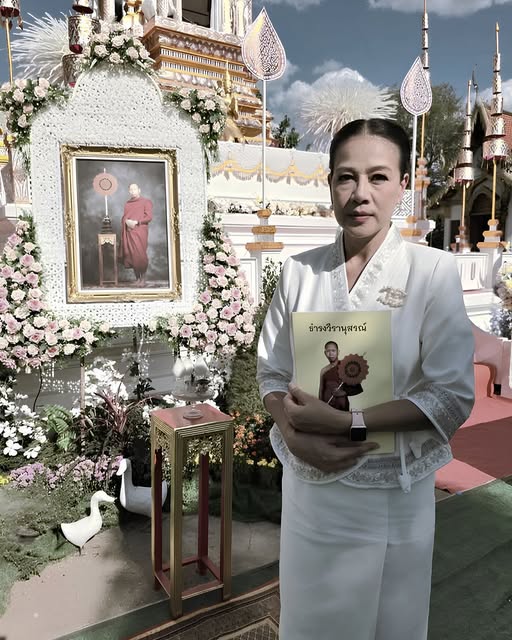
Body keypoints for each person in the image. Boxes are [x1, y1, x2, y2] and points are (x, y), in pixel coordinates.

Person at [256, 118, 474, 640]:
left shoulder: (432, 273)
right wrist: (289, 431)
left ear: (404, 184)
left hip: (391, 494)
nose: (360, 194)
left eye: (378, 177)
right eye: (346, 177)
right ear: (329, 183)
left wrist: (348, 422)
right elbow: (271, 371)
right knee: (311, 623)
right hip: (311, 491)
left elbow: (450, 396)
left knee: (389, 624)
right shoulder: (299, 273)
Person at [120, 183, 153, 287]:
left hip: (140, 231)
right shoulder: (127, 204)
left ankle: (143, 279)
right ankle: (137, 279)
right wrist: (126, 221)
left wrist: (136, 222)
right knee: (132, 255)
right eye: (131, 189)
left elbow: (149, 217)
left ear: (139, 190)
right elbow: (125, 217)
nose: (133, 191)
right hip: (129, 231)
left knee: (140, 254)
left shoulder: (146, 202)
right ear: (129, 191)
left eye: (135, 189)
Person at [318, 340, 363, 411]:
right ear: (325, 353)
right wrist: (320, 407)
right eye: (328, 351)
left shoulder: (346, 367)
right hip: (327, 406)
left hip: (342, 406)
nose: (331, 353)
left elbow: (357, 388)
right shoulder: (323, 370)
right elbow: (321, 390)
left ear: (338, 352)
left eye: (333, 351)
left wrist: (343, 392)